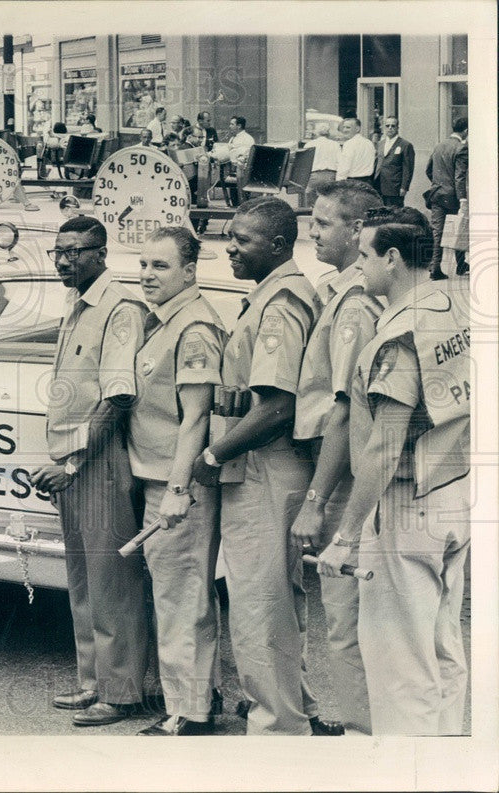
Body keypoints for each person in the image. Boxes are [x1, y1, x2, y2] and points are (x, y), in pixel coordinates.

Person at [190, 197, 342, 736]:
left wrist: (213, 455)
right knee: (275, 596)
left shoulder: (279, 302)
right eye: (229, 235)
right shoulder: (274, 294)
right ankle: (297, 707)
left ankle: (278, 730)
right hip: (264, 465)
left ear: (279, 245)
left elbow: (278, 406)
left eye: (244, 239)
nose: (229, 246)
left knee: (260, 603)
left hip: (264, 466)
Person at [319, 207, 470, 735]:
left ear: (392, 257)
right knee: (443, 654)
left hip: (406, 507)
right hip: (455, 491)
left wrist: (346, 535)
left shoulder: (399, 334)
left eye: (364, 254)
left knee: (401, 671)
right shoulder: (457, 304)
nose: (359, 267)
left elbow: (384, 447)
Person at [30, 216, 149, 727]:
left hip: (98, 463)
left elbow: (115, 399)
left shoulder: (118, 310)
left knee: (111, 583)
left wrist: (74, 463)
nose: (63, 260)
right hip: (75, 462)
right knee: (81, 579)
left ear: (101, 254)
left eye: (74, 252)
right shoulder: (76, 304)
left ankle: (121, 693)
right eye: (58, 251)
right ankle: (93, 681)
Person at [290, 180, 385, 734]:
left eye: (324, 223)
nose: (313, 231)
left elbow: (344, 411)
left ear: (357, 231)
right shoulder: (339, 289)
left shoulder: (354, 303)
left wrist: (315, 500)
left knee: (347, 623)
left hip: (344, 474)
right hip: (347, 467)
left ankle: (362, 737)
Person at [128, 227, 226, 736]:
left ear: (190, 271)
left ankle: (189, 713)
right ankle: (196, 696)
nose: (147, 274)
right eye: (144, 264)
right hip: (157, 478)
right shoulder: (165, 320)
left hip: (175, 485)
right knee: (178, 594)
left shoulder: (193, 328)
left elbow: (197, 419)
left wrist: (178, 489)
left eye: (161, 266)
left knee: (182, 597)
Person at [425, 116, 468, 278]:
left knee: (437, 231)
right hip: (453, 196)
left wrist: (439, 183)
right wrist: (462, 199)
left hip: (436, 194)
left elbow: (428, 170)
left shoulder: (439, 145)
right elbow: (460, 177)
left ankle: (435, 267)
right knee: (459, 228)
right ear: (465, 131)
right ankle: (461, 265)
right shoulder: (461, 148)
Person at [373, 117, 414, 207]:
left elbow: (408, 168)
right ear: (384, 128)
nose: (390, 128)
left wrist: (404, 187)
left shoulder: (405, 145)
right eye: (387, 126)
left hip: (394, 186)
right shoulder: (380, 144)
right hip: (379, 185)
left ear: (397, 128)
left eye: (393, 126)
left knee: (394, 212)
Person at [304, 123, 342, 206]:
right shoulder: (335, 144)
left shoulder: (309, 144)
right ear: (328, 132)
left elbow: (305, 164)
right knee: (330, 200)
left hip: (314, 176)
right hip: (331, 175)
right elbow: (340, 162)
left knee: (312, 202)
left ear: (316, 132)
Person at [335, 117, 376, 185]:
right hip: (368, 183)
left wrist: (338, 183)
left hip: (353, 184)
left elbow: (344, 168)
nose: (344, 130)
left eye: (348, 127)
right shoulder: (369, 143)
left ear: (357, 129)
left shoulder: (349, 144)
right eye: (344, 127)